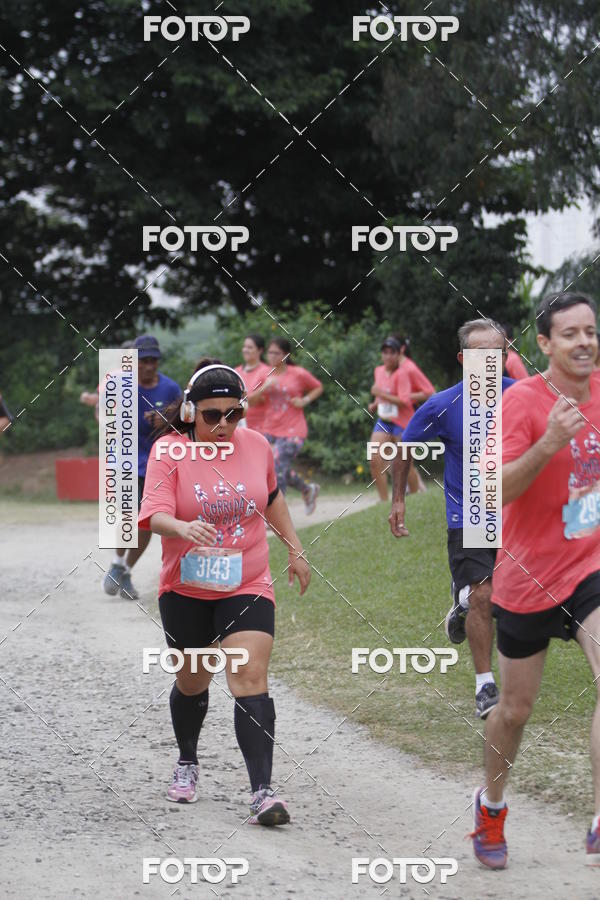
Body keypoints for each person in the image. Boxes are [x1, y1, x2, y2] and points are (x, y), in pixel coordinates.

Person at [138, 359, 310, 822]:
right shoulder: (169, 452)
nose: (224, 424)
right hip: (187, 586)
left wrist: (295, 549)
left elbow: (271, 498)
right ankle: (187, 761)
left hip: (247, 581)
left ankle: (262, 793)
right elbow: (152, 514)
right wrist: (182, 526)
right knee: (193, 680)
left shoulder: (256, 445)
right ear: (190, 412)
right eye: (213, 415)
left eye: (234, 414)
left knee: (249, 675)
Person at [469, 292, 600, 870]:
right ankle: (491, 806)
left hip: (590, 565)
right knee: (515, 711)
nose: (584, 342)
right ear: (545, 343)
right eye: (570, 333)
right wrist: (549, 442)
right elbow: (494, 491)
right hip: (529, 578)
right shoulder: (521, 402)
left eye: (590, 331)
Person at [389, 319, 514, 719]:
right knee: (483, 595)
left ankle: (461, 603)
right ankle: (485, 685)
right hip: (470, 513)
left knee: (506, 600)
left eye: (495, 354)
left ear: (506, 357)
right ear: (463, 359)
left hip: (515, 514)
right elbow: (405, 447)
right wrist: (398, 501)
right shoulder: (443, 405)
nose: (488, 361)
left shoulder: (521, 397)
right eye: (479, 355)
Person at [102, 335, 181, 600]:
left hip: (157, 464)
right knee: (127, 516)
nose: (148, 366)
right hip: (125, 461)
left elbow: (183, 424)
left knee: (147, 522)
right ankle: (117, 562)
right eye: (143, 360)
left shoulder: (170, 388)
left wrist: (166, 422)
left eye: (153, 361)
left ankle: (124, 570)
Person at [250, 337, 323, 515]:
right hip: (269, 429)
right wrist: (264, 387)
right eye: (270, 352)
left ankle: (276, 515)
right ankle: (307, 489)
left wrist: (304, 400)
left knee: (277, 468)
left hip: (293, 430)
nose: (272, 356)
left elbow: (318, 387)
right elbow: (250, 401)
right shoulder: (264, 374)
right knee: (268, 467)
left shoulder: (298, 373)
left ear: (285, 355)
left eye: (276, 353)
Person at [370, 336, 435, 499]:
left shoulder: (405, 371)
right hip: (385, 421)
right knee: (374, 460)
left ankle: (414, 497)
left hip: (403, 421)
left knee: (404, 464)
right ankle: (383, 502)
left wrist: (382, 394)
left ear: (400, 353)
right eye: (385, 352)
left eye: (392, 352)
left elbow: (406, 399)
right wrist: (375, 403)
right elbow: (382, 391)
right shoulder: (378, 370)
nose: (387, 356)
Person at [235, 334, 270, 433]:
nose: (245, 350)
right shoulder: (236, 372)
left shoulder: (267, 371)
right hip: (239, 428)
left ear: (260, 350)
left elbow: (264, 400)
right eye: (244, 347)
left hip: (262, 429)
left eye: (250, 347)